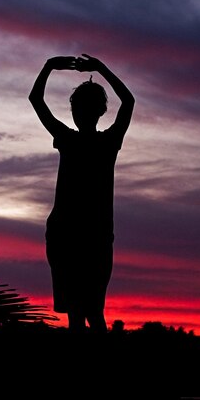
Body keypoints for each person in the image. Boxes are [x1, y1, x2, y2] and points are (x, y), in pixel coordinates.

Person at [29, 54, 135, 333]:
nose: (77, 112)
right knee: (88, 313)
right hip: (77, 236)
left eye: (79, 107)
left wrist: (50, 66)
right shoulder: (103, 141)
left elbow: (36, 100)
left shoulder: (77, 140)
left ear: (92, 111)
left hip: (84, 236)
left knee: (83, 314)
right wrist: (100, 68)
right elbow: (129, 101)